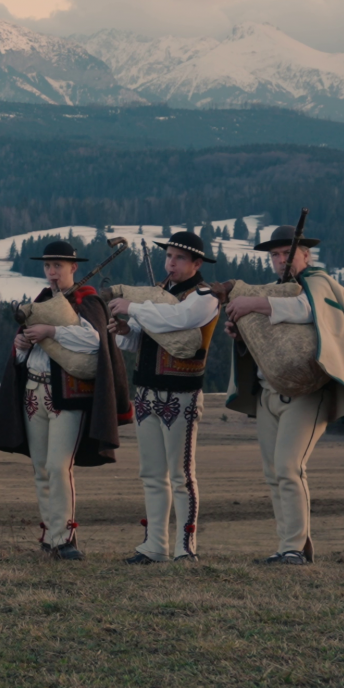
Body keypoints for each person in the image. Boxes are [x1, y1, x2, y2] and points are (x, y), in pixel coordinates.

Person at [223, 225, 344, 566]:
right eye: (275, 255)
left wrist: (254, 303)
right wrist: (243, 334)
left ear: (306, 255)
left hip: (307, 394)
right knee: (274, 472)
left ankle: (293, 547)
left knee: (290, 468)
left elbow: (310, 309)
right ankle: (289, 546)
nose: (281, 260)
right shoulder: (276, 292)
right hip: (267, 392)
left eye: (287, 253)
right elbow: (273, 338)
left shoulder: (318, 284)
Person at [0, 240, 130, 561]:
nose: (52, 272)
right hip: (33, 392)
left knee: (58, 466)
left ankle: (65, 538)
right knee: (41, 468)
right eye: (48, 266)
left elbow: (94, 342)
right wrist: (22, 346)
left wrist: (51, 330)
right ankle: (50, 536)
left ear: (73, 268)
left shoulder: (87, 301)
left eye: (58, 266)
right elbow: (23, 357)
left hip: (68, 394)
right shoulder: (41, 301)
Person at [106, 232, 221, 565]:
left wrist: (133, 307)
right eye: (169, 256)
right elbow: (143, 339)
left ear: (197, 263)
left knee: (182, 475)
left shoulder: (205, 296)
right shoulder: (157, 295)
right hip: (146, 390)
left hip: (182, 392)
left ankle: (186, 548)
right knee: (151, 474)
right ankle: (154, 546)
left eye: (179, 258)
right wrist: (126, 331)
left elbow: (179, 319)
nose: (171, 263)